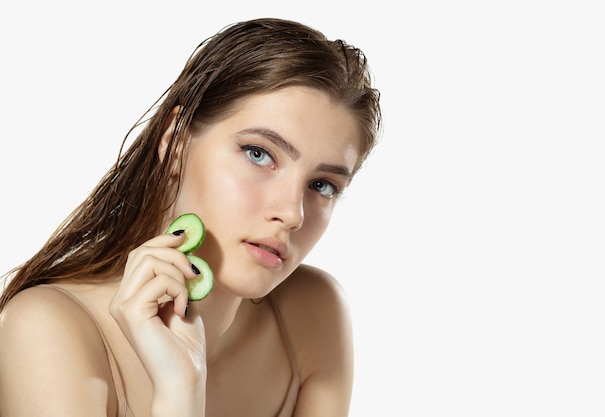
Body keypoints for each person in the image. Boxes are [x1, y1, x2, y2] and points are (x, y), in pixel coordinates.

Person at [0, 17, 381, 417]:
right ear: (176, 145)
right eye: (259, 154)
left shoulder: (313, 314)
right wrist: (179, 390)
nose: (291, 214)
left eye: (322, 185)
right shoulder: (46, 331)